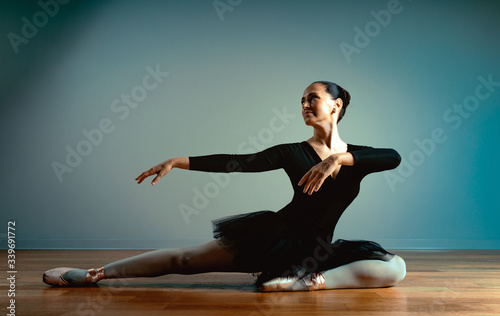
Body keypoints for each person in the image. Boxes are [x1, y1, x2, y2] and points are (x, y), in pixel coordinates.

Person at [43, 81, 406, 292]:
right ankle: (95, 274)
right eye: (301, 101)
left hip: (319, 252)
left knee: (396, 268)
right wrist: (179, 160)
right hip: (276, 237)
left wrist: (337, 160)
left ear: (336, 104)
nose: (305, 105)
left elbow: (394, 157)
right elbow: (239, 162)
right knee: (185, 260)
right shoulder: (292, 152)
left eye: (313, 97)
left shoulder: (361, 156)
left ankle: (305, 283)